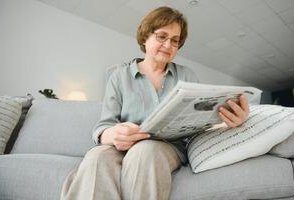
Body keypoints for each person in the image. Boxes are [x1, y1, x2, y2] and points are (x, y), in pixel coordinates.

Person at [61, 6, 249, 200]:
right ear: (145, 37)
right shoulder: (119, 77)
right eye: (162, 36)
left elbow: (201, 123)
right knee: (96, 157)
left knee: (145, 150)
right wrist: (111, 134)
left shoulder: (186, 75)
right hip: (123, 148)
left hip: (167, 148)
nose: (168, 45)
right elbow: (104, 125)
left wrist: (228, 121)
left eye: (175, 41)